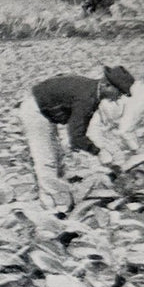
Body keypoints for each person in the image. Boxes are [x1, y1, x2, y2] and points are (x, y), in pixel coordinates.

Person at [20, 65, 133, 209]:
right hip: (35, 112)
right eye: (119, 92)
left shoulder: (93, 92)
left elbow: (80, 128)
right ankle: (53, 204)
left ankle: (60, 194)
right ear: (106, 85)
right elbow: (76, 137)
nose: (119, 97)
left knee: (58, 156)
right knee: (46, 160)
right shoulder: (87, 97)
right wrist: (98, 152)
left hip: (44, 111)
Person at [77, 77, 144, 158]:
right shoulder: (141, 103)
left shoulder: (141, 86)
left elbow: (127, 123)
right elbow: (124, 131)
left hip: (97, 103)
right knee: (104, 154)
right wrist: (137, 149)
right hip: (95, 114)